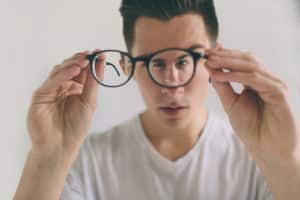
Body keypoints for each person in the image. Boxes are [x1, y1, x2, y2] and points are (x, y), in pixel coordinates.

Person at [14, 0, 300, 200]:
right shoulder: (85, 161)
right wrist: (48, 158)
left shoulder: (260, 158)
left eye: (185, 61)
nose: (172, 83)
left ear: (214, 60)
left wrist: (285, 160)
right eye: (155, 63)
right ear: (128, 67)